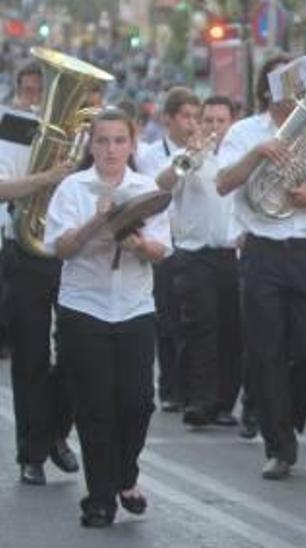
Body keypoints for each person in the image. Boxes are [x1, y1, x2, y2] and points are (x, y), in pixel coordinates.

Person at [215, 54, 306, 480]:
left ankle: (286, 420)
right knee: (266, 350)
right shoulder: (244, 132)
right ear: (267, 88)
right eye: (287, 85)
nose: (296, 94)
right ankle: (279, 445)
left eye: (303, 85)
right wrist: (257, 154)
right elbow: (223, 183)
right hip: (262, 250)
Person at [45, 107, 172, 527]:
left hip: (134, 306)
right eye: (102, 141)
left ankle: (125, 474)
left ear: (132, 144)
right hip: (85, 305)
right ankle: (100, 498)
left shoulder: (146, 187)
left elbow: (161, 248)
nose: (111, 149)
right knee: (94, 404)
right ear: (91, 145)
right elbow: (61, 248)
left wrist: (138, 244)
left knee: (138, 401)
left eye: (119, 140)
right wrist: (99, 218)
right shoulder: (72, 188)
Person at [0, 62, 80, 488]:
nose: (34, 100)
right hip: (25, 251)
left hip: (71, 254)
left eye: (41, 92)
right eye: (28, 91)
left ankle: (56, 435)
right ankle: (32, 454)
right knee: (30, 357)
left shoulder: (83, 132)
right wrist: (46, 178)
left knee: (74, 354)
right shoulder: (9, 126)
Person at [152, 95, 243, 429]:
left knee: (231, 330)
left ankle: (223, 403)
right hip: (194, 253)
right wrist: (190, 158)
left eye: (221, 121)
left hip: (230, 253)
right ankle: (197, 401)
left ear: (231, 123)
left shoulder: (239, 157)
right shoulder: (186, 157)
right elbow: (162, 186)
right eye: (208, 121)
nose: (214, 128)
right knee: (200, 326)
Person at [135, 86, 201, 415]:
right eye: (186, 116)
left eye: (195, 117)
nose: (192, 124)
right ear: (169, 119)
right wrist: (184, 158)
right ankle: (171, 388)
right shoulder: (149, 154)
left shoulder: (204, 149)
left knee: (193, 321)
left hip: (196, 242)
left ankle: (191, 387)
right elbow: (154, 192)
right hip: (165, 241)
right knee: (168, 320)